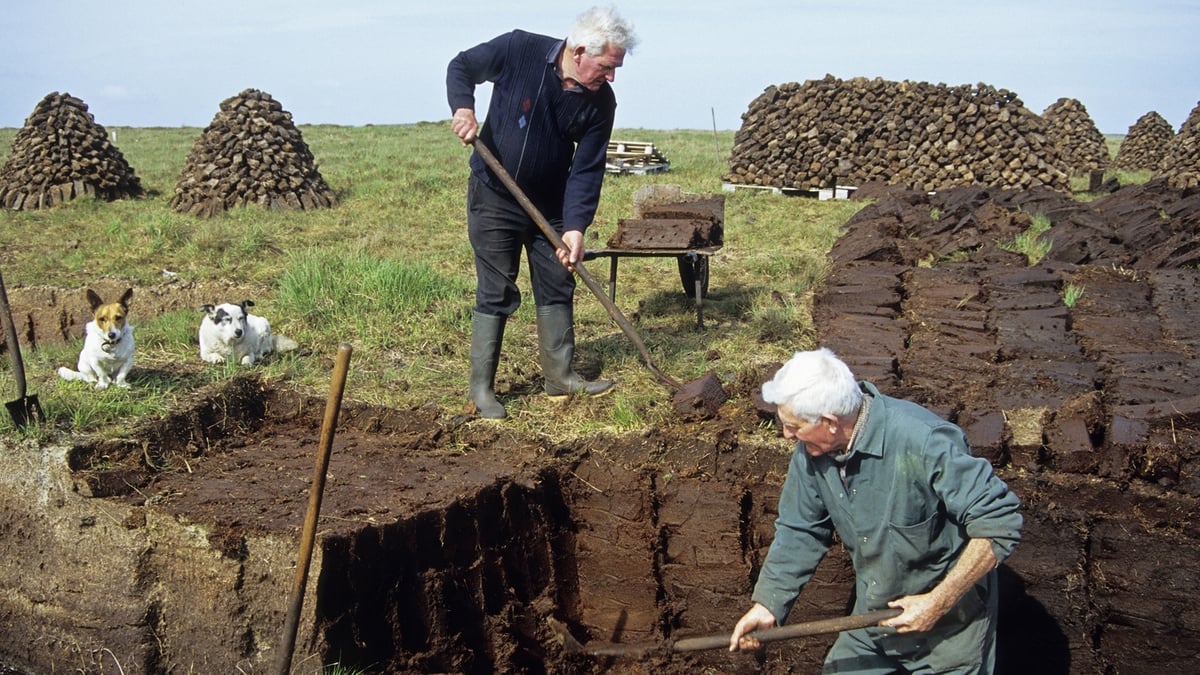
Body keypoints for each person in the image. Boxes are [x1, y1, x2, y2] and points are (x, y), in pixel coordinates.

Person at [729, 348, 1022, 674]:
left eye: (793, 426)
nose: (786, 435)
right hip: (874, 615)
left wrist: (937, 602)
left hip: (950, 626)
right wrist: (768, 605)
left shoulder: (923, 442)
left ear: (829, 422)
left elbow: (999, 522)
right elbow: (802, 528)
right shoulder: (812, 453)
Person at [446, 6, 638, 419]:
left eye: (616, 68)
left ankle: (560, 377)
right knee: (496, 289)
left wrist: (574, 228)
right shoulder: (519, 49)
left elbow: (586, 170)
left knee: (557, 282)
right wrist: (463, 108)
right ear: (581, 50)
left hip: (549, 205)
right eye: (607, 66)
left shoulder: (600, 103)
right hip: (494, 194)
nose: (611, 76)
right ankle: (481, 391)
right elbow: (461, 66)